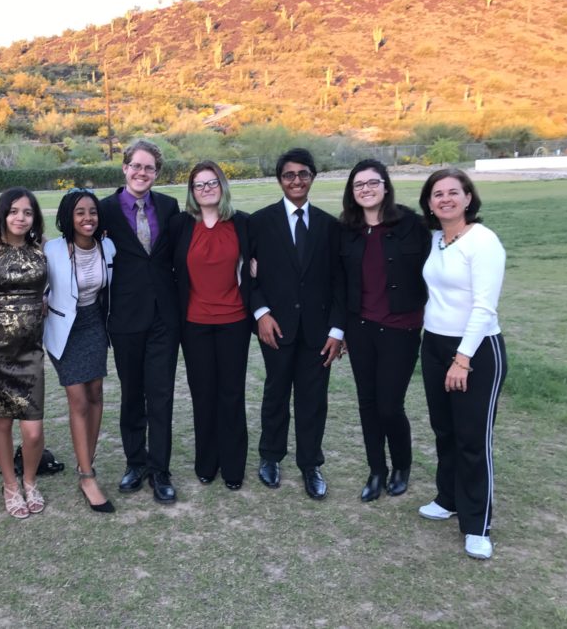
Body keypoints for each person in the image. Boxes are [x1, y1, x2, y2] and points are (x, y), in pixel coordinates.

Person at [417, 168, 507, 560]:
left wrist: (463, 359)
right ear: (430, 203)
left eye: (454, 192)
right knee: (444, 430)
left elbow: (484, 306)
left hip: (475, 350)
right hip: (434, 344)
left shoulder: (483, 241)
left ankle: (477, 524)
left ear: (469, 198)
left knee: (472, 438)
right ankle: (448, 497)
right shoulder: (436, 239)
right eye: (438, 194)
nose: (446, 199)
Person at [249, 147, 344, 500]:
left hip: (319, 332)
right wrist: (261, 313)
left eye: (303, 174)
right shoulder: (258, 222)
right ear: (280, 180)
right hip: (276, 327)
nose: (296, 181)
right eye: (289, 175)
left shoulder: (329, 225)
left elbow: (340, 282)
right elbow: (247, 276)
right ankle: (270, 457)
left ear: (313, 177)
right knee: (275, 393)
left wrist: (337, 330)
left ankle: (310, 464)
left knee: (313, 399)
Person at [338, 160, 430, 502]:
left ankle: (401, 466)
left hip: (401, 328)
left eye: (371, 183)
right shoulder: (345, 229)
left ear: (385, 186)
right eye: (358, 185)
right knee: (367, 402)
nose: (365, 189)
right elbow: (334, 278)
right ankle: (376, 470)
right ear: (352, 192)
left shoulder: (412, 225)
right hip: (360, 327)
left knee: (390, 405)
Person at [99, 139, 181, 504]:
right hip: (126, 317)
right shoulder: (103, 210)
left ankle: (160, 469)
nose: (142, 173)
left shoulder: (169, 206)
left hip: (165, 315)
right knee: (132, 394)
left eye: (149, 168)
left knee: (161, 395)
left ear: (156, 174)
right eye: (136, 165)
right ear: (124, 167)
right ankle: (136, 462)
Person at [169, 161, 252, 490]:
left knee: (231, 394)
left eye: (211, 182)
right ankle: (207, 462)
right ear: (191, 192)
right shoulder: (180, 225)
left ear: (222, 185)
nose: (205, 189)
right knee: (203, 394)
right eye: (198, 185)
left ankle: (233, 466)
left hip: (235, 321)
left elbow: (263, 259)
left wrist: (257, 269)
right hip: (194, 323)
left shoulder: (242, 223)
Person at [0, 187, 48, 520]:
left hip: (30, 350)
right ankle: (11, 485)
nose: (20, 217)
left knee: (33, 430)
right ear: (3, 214)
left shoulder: (42, 248)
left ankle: (30, 481)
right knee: (1, 421)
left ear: (34, 218)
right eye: (14, 211)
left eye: (27, 212)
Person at [44, 189, 117, 513]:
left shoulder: (108, 247)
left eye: (92, 212)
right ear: (68, 218)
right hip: (63, 329)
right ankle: (87, 475)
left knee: (96, 392)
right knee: (78, 398)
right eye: (79, 213)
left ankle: (87, 459)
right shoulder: (53, 249)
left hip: (94, 325)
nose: (87, 218)